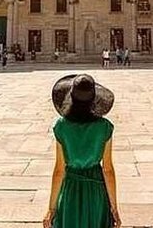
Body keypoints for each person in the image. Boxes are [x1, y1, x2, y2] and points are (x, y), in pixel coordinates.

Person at [44, 74, 120, 228]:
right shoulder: (104, 127)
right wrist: (114, 207)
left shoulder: (61, 126)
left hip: (71, 189)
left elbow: (59, 170)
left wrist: (51, 209)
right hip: (96, 190)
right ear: (94, 99)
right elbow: (108, 169)